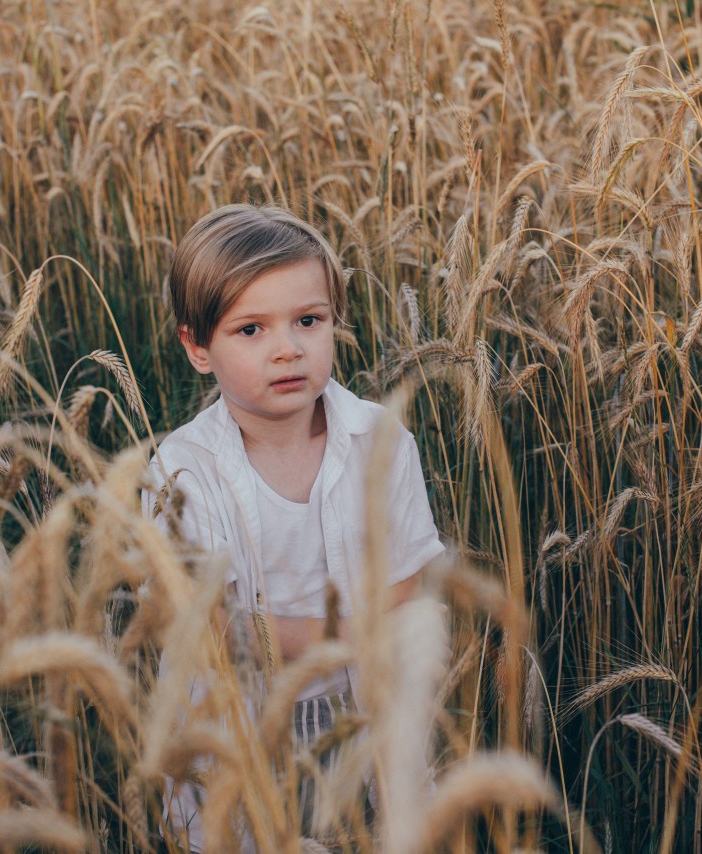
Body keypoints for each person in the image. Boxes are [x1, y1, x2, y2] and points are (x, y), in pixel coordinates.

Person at [143, 204, 445, 850]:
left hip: (362, 702)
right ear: (198, 347)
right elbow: (215, 629)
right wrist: (340, 635)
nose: (287, 349)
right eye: (251, 330)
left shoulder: (381, 441)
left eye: (308, 321)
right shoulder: (181, 473)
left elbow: (404, 588)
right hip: (232, 718)